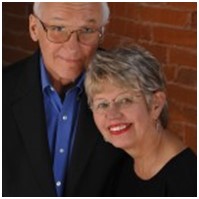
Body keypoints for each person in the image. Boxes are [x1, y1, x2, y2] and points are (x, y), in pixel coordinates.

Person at [2, 3, 129, 197]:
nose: (72, 48)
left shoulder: (126, 90)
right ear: (34, 28)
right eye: (58, 28)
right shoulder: (5, 89)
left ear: (102, 31)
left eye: (87, 30)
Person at [84, 45, 197, 197]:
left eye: (125, 100)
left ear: (155, 104)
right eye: (102, 104)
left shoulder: (188, 181)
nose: (112, 114)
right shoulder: (118, 165)